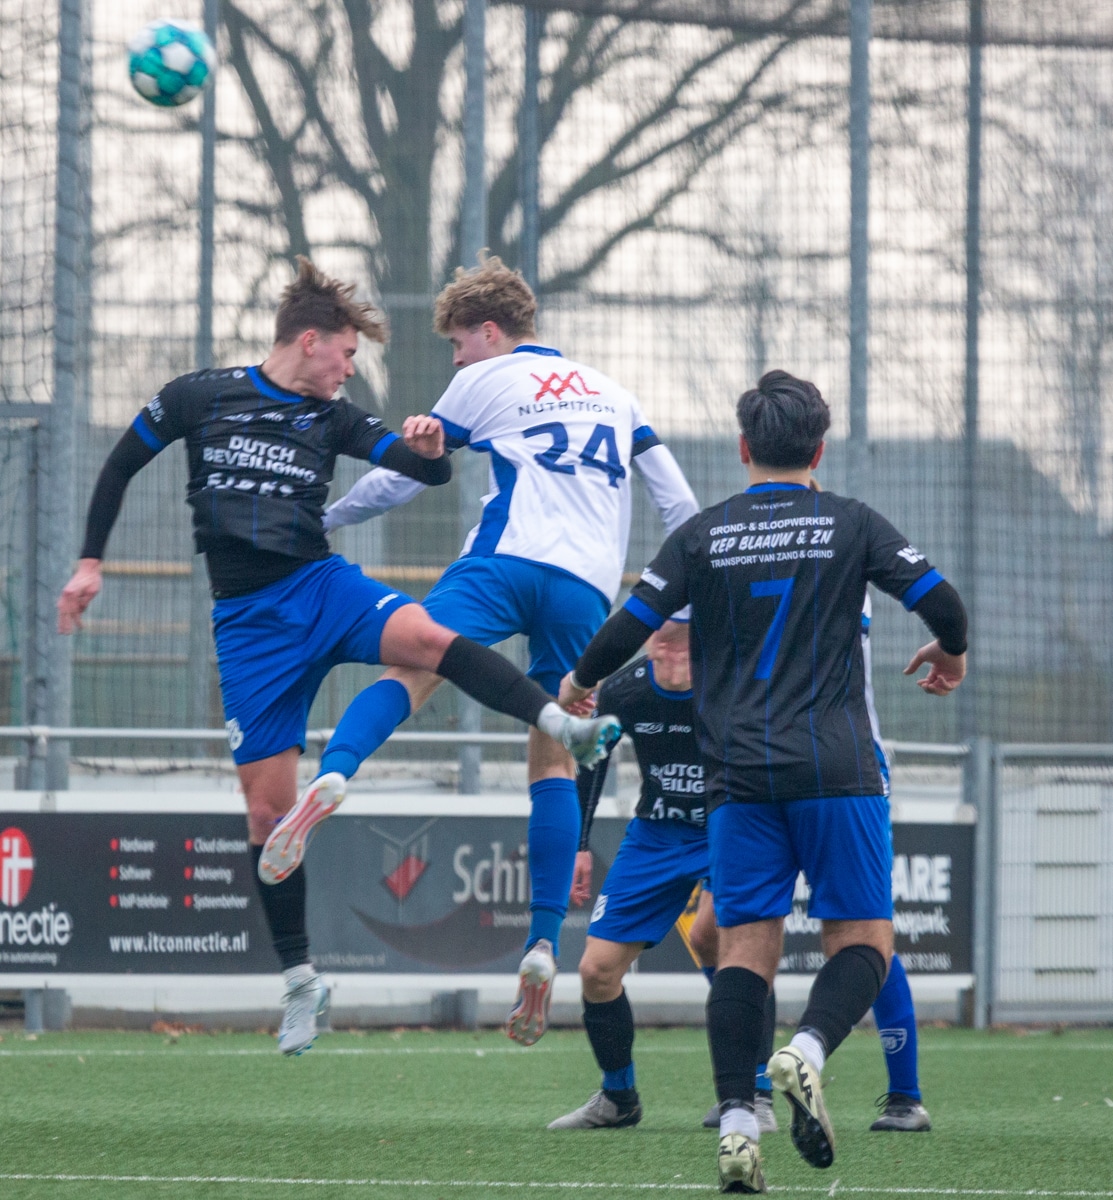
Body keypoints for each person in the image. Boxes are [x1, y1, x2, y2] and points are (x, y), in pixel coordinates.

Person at [56, 256, 618, 1059]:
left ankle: (559, 722)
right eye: (347, 354)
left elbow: (419, 468)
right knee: (265, 815)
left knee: (429, 640)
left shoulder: (335, 417)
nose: (350, 369)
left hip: (323, 588)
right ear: (310, 340)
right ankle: (301, 982)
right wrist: (89, 561)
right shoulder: (197, 396)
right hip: (248, 625)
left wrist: (428, 448)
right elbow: (119, 464)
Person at [560, 370, 966, 1192]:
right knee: (864, 942)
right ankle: (806, 1049)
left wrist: (578, 680)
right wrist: (948, 653)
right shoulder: (851, 522)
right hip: (836, 767)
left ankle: (738, 1126)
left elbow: (628, 626)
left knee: (742, 949)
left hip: (738, 775)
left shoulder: (702, 535)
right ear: (819, 449)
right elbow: (942, 603)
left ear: (743, 447)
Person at [282, 252, 699, 1045]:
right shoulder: (616, 394)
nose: (454, 361)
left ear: (488, 331)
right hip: (585, 589)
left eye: (456, 344)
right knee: (552, 754)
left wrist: (327, 519)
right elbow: (678, 505)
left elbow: (405, 475)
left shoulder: (489, 378)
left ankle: (334, 774)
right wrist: (680, 600)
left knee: (414, 665)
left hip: (503, 563)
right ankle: (540, 944)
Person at [551, 612, 931, 1136]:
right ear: (650, 640)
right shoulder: (626, 688)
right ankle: (620, 1096)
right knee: (597, 970)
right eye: (664, 642)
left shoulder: (739, 681)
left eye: (685, 644)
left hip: (748, 814)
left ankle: (764, 1093)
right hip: (658, 834)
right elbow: (591, 757)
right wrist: (579, 845)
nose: (672, 654)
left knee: (767, 937)